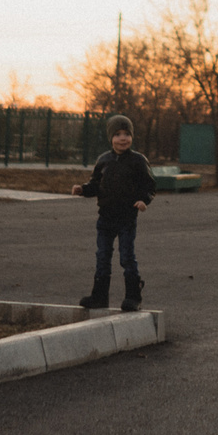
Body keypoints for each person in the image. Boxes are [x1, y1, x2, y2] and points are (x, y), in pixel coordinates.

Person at [73, 115, 153, 311]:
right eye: (117, 134)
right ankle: (99, 297)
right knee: (102, 256)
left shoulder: (138, 161)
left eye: (127, 134)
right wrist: (83, 190)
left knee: (126, 256)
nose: (122, 138)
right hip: (106, 218)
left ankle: (133, 296)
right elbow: (95, 185)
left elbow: (149, 185)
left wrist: (144, 200)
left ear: (132, 136)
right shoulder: (103, 160)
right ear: (111, 137)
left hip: (127, 218)